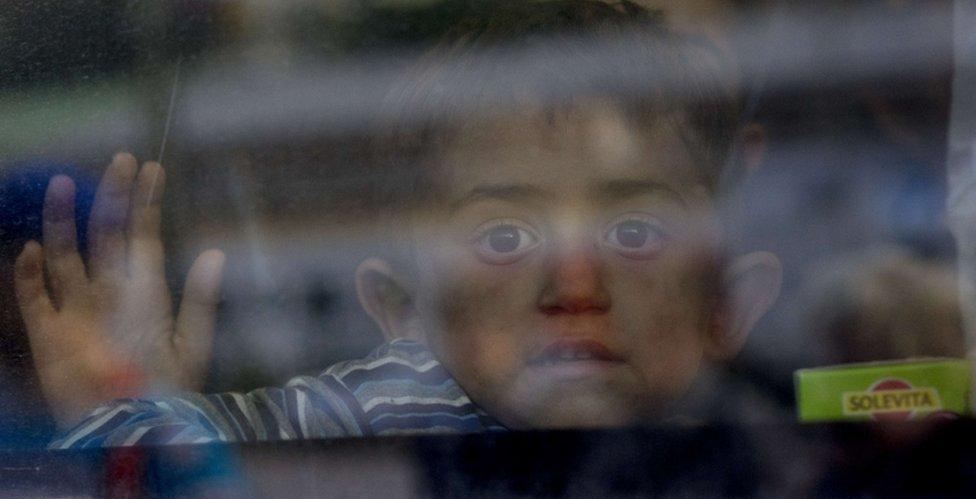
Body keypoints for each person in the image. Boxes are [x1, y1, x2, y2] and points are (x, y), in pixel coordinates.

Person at [12, 0, 782, 448]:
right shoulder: (391, 410)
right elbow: (219, 472)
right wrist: (135, 407)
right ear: (399, 308)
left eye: (636, 232)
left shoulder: (774, 433)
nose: (575, 284)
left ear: (730, 302)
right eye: (504, 238)